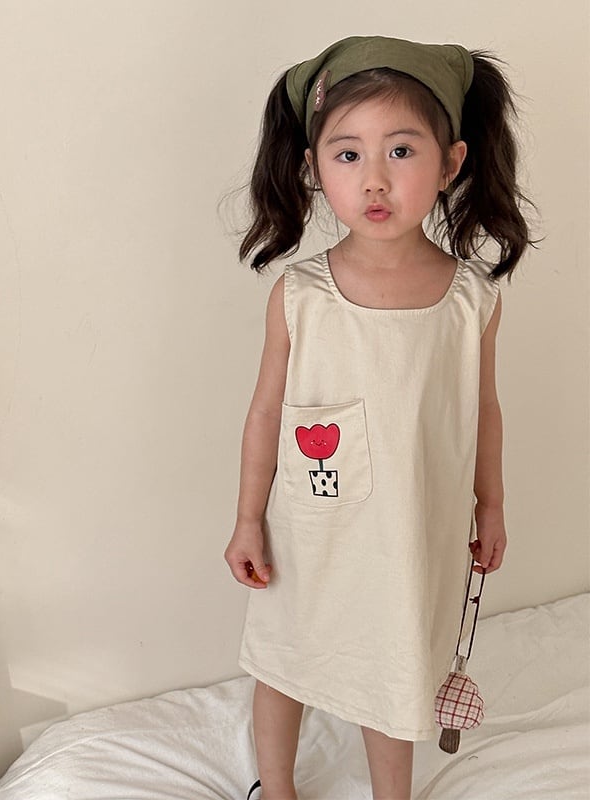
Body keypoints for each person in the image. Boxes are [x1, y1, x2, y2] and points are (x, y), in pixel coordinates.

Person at [223, 36, 533, 800]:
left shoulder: (470, 300)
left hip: (410, 533)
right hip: (309, 530)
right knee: (285, 659)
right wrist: (248, 519)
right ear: (313, 167)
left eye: (400, 150)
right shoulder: (300, 295)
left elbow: (483, 409)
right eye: (348, 154)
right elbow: (265, 412)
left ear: (450, 163)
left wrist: (492, 504)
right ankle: (276, 788)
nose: (375, 179)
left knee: (397, 667)